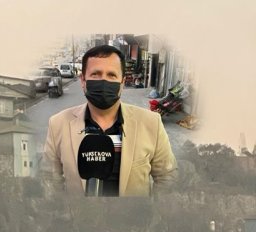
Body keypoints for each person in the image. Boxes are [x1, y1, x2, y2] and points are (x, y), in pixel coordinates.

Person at [43, 45, 177, 196]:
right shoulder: (57, 124)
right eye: (96, 74)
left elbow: (167, 177)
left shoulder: (151, 123)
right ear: (83, 80)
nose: (104, 81)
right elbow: (50, 180)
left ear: (122, 83)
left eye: (112, 75)